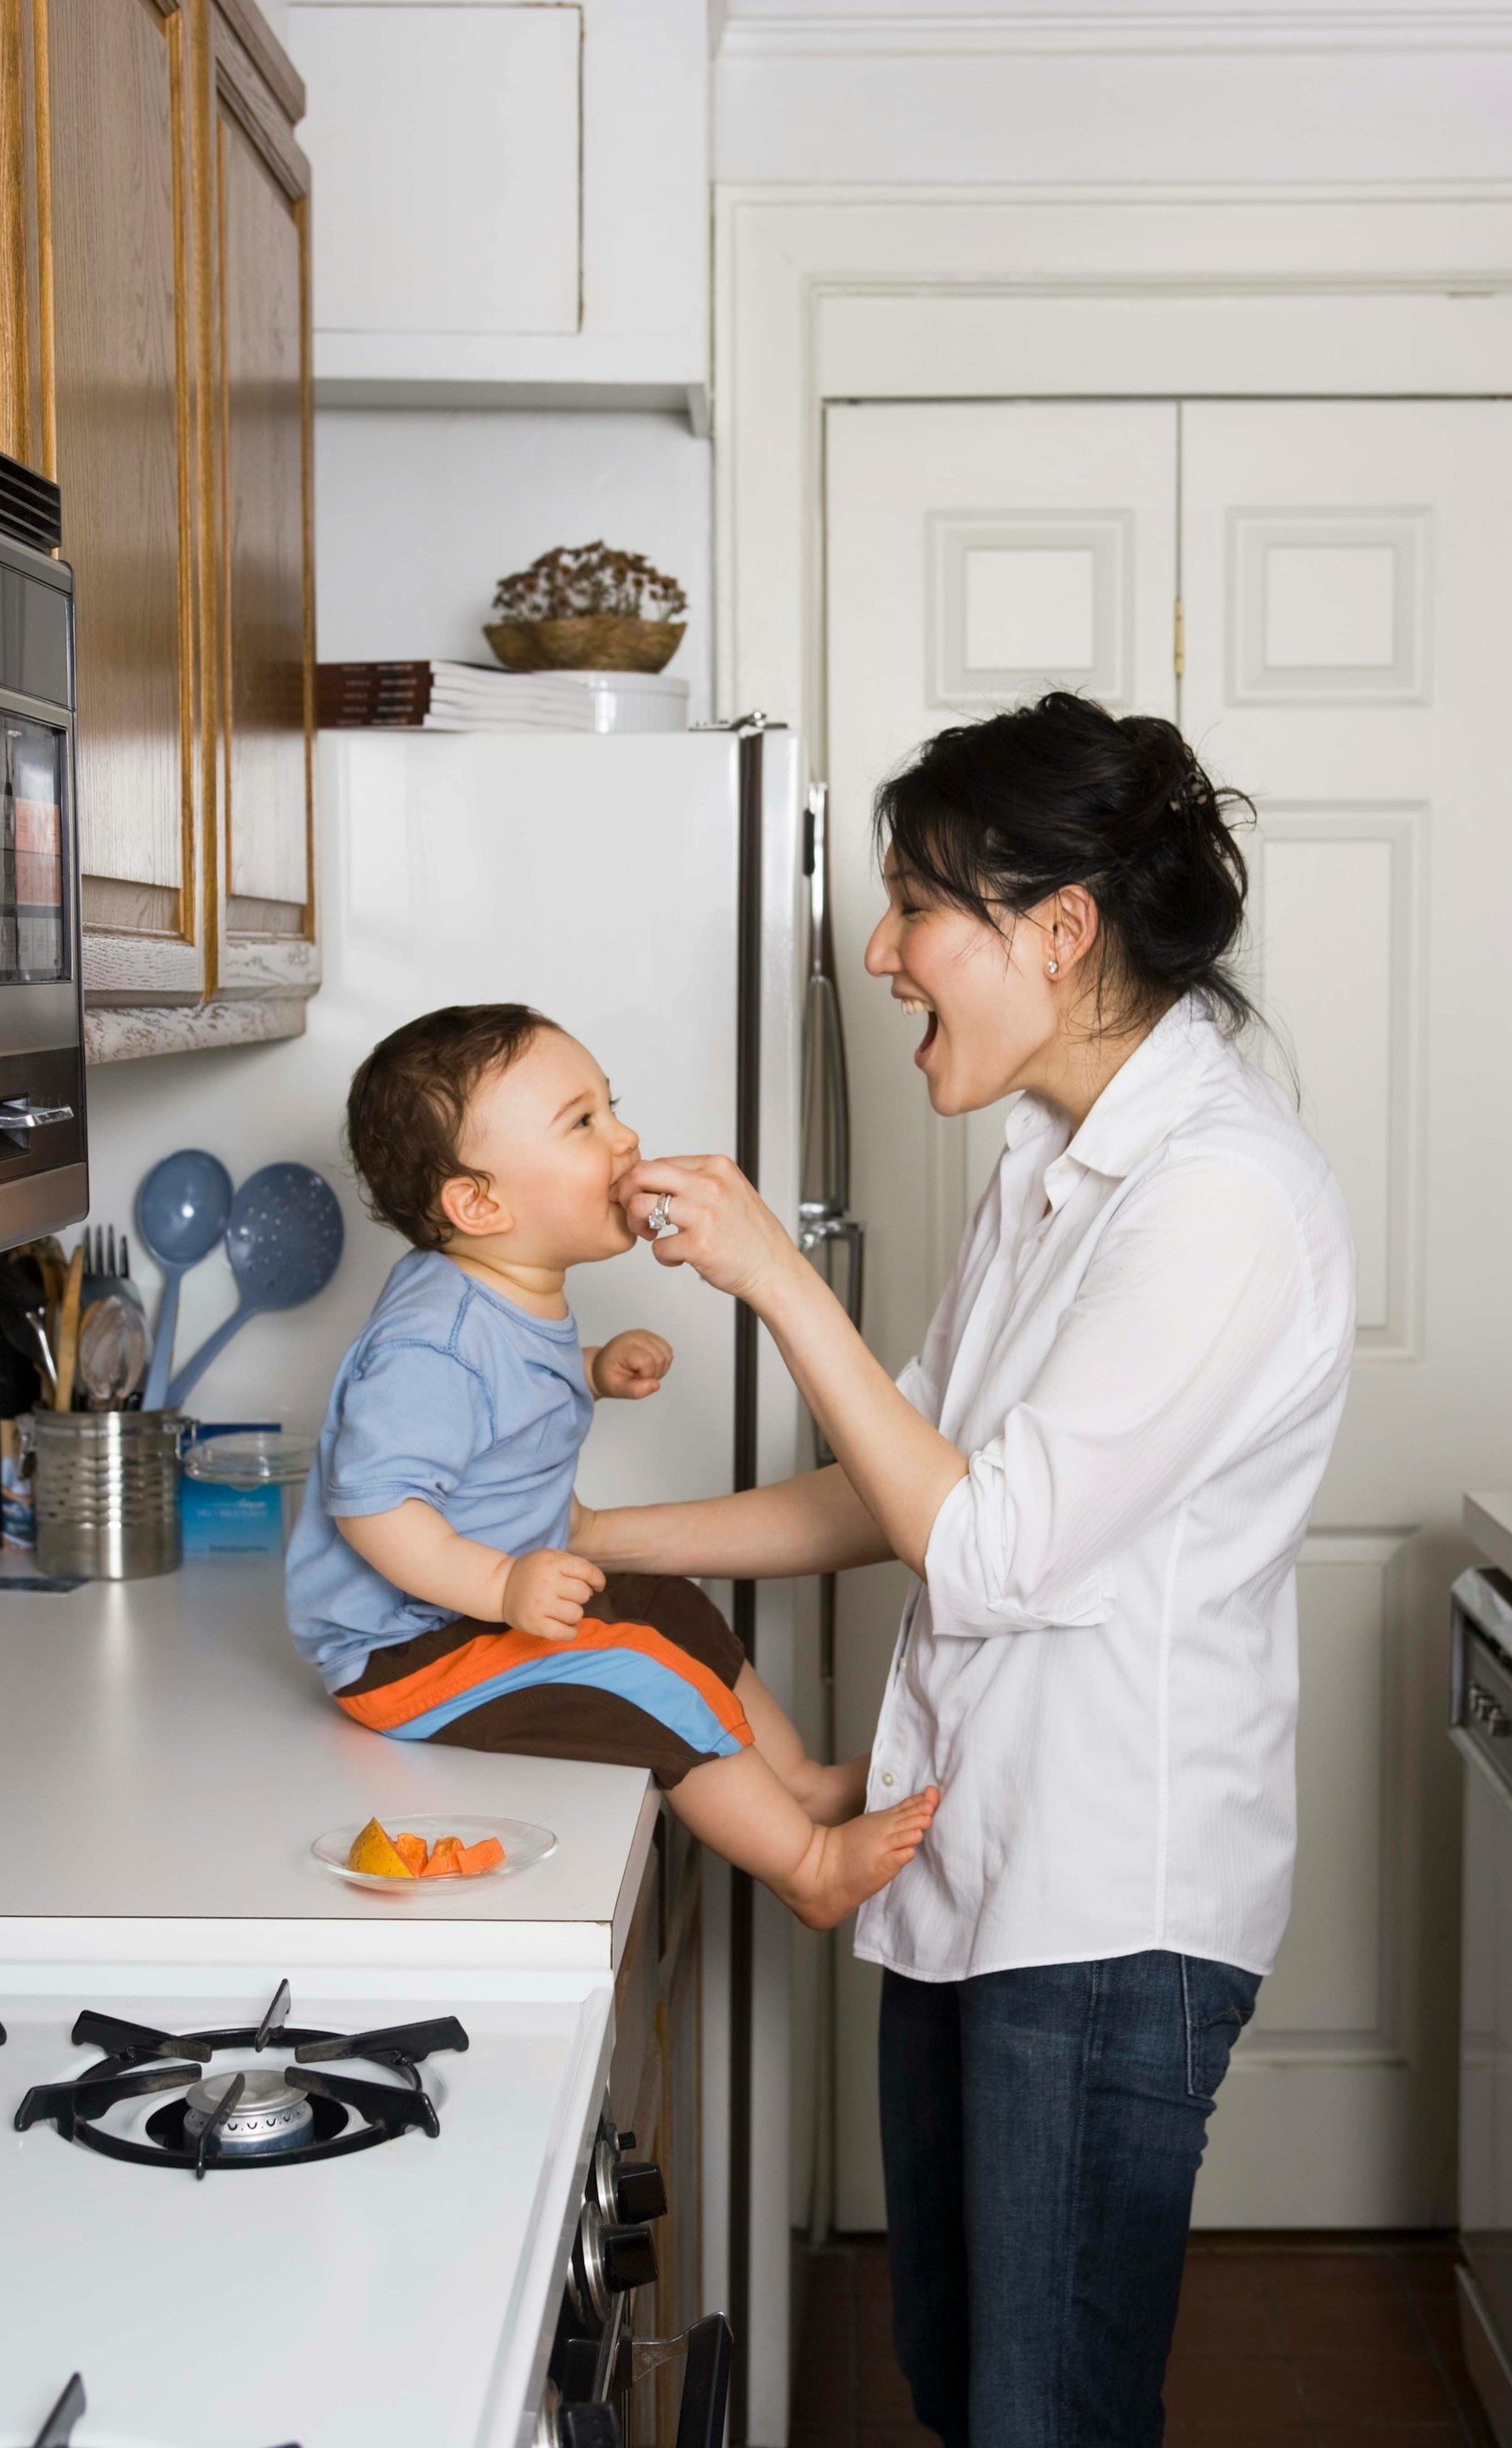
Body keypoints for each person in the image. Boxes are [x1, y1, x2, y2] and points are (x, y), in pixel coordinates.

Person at [574, 692, 1356, 2448]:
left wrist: (781, 1280)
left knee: (1045, 2414)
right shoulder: (1053, 1163)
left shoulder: (1220, 1198)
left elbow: (983, 1550)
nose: (878, 948)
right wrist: (591, 1542)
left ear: (1060, 930)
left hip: (1106, 1904)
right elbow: (898, 1481)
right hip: (981, 1852)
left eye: (917, 902)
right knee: (963, 2376)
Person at [284, 1002, 938, 1929]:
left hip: (477, 1610)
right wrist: (502, 1584)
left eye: (611, 1106)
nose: (624, 1138)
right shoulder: (432, 1343)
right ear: (480, 1205)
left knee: (670, 1602)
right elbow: (373, 1507)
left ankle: (798, 1783)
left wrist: (590, 1371)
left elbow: (493, 1405)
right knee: (640, 1668)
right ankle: (808, 1865)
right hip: (409, 1650)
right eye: (582, 1122)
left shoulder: (501, 1286)